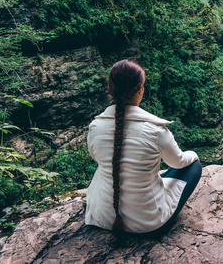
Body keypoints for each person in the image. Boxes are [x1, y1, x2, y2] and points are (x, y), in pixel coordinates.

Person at [85, 59, 202, 239]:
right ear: (140, 89)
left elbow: (96, 157)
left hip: (102, 217)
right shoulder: (155, 130)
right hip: (149, 223)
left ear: (110, 88)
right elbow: (178, 163)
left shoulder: (95, 127)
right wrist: (194, 155)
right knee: (193, 166)